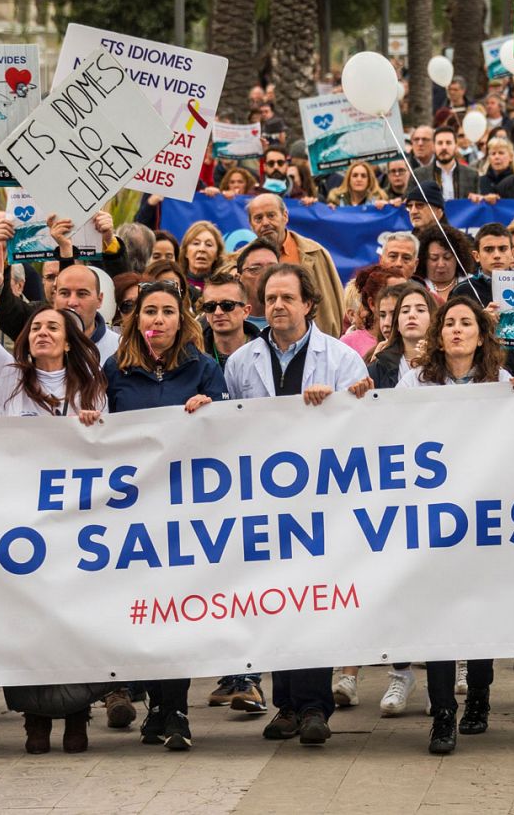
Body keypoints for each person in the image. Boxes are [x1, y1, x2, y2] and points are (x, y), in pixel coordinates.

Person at [224, 263, 372, 746]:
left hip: (322, 499)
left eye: (288, 298)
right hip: (265, 500)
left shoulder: (342, 358)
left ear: (309, 304)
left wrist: (337, 402)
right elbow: (231, 426)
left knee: (312, 600)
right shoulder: (241, 362)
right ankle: (285, 703)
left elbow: (365, 417)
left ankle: (313, 707)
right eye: (270, 299)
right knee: (275, 602)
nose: (278, 306)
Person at [395, 295, 514, 754]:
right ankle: (442, 715)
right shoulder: (415, 381)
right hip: (433, 516)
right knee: (438, 615)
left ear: (481, 334)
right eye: (449, 323)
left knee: (477, 611)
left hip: (483, 515)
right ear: (438, 334)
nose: (457, 330)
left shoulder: (504, 381)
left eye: (466, 323)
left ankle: (478, 694)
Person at [103, 280, 229, 750]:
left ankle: (175, 711)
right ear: (135, 319)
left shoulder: (203, 367)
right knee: (148, 612)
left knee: (177, 610)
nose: (157, 319)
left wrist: (211, 409)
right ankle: (158, 705)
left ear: (182, 320)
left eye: (167, 311)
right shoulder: (115, 369)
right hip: (135, 511)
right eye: (148, 311)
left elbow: (229, 428)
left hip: (186, 509)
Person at [245, 193, 345, 337]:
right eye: (258, 218)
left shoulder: (315, 253)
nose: (265, 222)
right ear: (251, 224)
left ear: (285, 216)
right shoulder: (240, 260)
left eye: (271, 215)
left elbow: (335, 306)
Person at [367, 282, 436, 389]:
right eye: (405, 311)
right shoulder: (379, 367)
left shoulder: (448, 363)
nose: (411, 315)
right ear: (397, 324)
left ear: (433, 320)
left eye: (420, 310)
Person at [196, 270, 260, 368]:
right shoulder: (193, 354)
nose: (218, 312)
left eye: (227, 305)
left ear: (246, 311)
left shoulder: (265, 351)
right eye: (210, 306)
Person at [414, 126, 480, 201]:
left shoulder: (472, 175)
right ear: (433, 146)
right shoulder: (418, 175)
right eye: (440, 143)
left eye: (448, 143)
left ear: (456, 146)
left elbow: (479, 203)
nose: (444, 147)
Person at [414, 224, 475, 304]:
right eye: (434, 258)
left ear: (458, 258)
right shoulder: (415, 285)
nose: (441, 264)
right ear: (423, 259)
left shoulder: (473, 283)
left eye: (447, 257)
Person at [178, 221, 226, 295]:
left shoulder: (224, 287)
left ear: (217, 254)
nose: (202, 249)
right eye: (196, 243)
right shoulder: (176, 284)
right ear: (186, 252)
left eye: (209, 245)